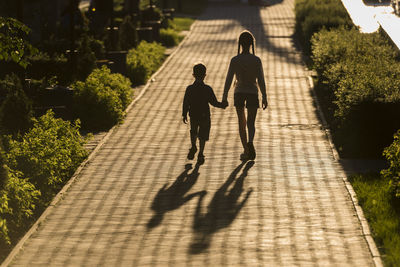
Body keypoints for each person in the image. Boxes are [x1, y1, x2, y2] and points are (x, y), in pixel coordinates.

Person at [222, 30, 268, 161]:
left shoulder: (235, 60)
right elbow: (261, 80)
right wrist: (264, 96)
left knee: (241, 122)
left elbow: (229, 79)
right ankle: (251, 141)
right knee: (251, 122)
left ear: (240, 44)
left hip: (239, 92)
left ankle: (246, 151)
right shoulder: (256, 60)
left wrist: (224, 96)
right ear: (252, 44)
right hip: (253, 92)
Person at [182, 63, 227, 164]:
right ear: (205, 75)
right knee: (203, 135)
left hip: (193, 114)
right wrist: (222, 105)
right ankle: (201, 153)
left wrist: (184, 113)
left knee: (193, 131)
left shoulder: (190, 89)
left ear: (193, 75)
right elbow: (213, 102)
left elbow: (186, 102)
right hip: (204, 115)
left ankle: (193, 146)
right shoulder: (207, 89)